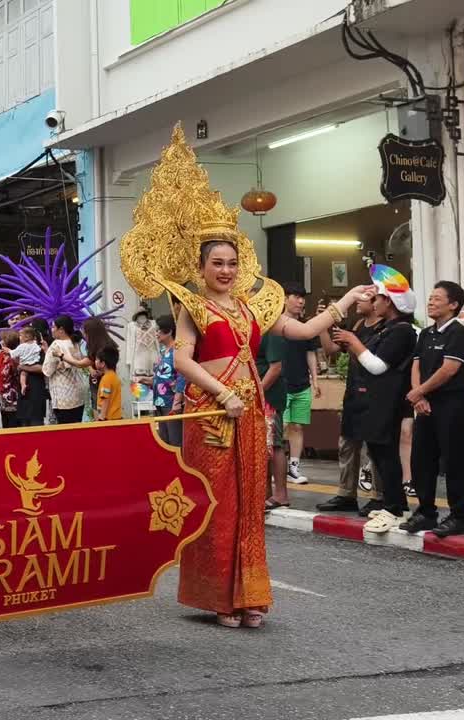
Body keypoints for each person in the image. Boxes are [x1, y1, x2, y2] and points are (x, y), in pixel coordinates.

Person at [118, 124, 374, 629]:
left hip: (250, 412)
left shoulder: (253, 305)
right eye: (218, 263)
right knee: (218, 505)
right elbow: (185, 361)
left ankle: (249, 595)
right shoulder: (189, 305)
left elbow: (301, 329)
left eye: (233, 262)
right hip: (212, 411)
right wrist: (222, 395)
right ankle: (218, 598)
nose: (227, 271)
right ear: (201, 265)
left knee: (250, 505)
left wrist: (345, 301)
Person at [336, 268, 418, 535]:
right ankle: (394, 504)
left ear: (390, 303)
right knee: (380, 454)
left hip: (388, 402)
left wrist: (352, 341)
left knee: (387, 455)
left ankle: (395, 508)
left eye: (379, 298)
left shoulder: (402, 331)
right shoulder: (387, 328)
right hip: (375, 402)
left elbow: (377, 366)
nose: (376, 302)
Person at [401, 281, 464, 536]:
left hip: (452, 403)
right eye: (430, 297)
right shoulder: (426, 334)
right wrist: (418, 398)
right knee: (422, 458)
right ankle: (426, 512)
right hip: (426, 404)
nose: (431, 302)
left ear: (453, 305)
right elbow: (416, 366)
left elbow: (448, 370)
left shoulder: (459, 334)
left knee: (454, 461)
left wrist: (420, 391)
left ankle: (458, 516)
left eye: (437, 298)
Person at [316, 291, 385, 516]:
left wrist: (353, 340)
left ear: (376, 303)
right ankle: (346, 494)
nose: (357, 302)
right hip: (353, 393)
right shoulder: (358, 325)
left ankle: (378, 496)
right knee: (347, 444)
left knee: (375, 448)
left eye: (363, 298)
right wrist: (324, 327)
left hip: (375, 395)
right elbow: (331, 351)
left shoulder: (386, 328)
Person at [280, 282, 320, 484]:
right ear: (285, 298)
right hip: (282, 384)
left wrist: (315, 379)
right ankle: (274, 468)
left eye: (302, 297)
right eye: (295, 296)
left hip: (302, 383)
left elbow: (310, 354)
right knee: (281, 426)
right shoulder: (276, 324)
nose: (300, 301)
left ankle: (293, 468)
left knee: (297, 426)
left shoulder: (306, 327)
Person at [258, 327, 289, 510]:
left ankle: (281, 494)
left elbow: (275, 368)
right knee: (263, 446)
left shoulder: (272, 330)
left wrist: (258, 393)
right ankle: (266, 492)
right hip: (259, 396)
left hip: (269, 397)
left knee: (275, 444)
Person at [43, 315, 89, 424]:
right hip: (78, 394)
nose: (51, 330)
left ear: (61, 330)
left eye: (54, 327)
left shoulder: (56, 345)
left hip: (63, 397)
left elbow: (47, 370)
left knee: (66, 432)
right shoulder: (76, 342)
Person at [149, 314, 185, 447]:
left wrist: (177, 401)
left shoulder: (178, 350)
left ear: (169, 331)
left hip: (171, 402)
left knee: (175, 442)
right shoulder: (164, 351)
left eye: (159, 330)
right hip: (159, 402)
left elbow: (182, 375)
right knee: (164, 442)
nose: (156, 333)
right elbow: (163, 377)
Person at [0, 330, 21, 428]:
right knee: (4, 420)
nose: (2, 342)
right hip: (1, 394)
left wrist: (11, 355)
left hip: (12, 394)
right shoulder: (1, 354)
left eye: (4, 340)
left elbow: (16, 371)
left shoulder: (16, 355)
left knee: (13, 422)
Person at [95, 345, 123, 421]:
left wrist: (101, 417)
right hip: (116, 417)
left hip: (108, 419)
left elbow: (105, 399)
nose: (95, 361)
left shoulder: (106, 379)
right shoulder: (114, 376)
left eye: (97, 359)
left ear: (103, 363)